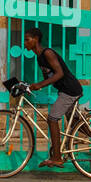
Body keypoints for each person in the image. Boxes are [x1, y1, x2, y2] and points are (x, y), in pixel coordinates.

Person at [23, 26, 83, 169]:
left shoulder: (47, 53)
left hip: (69, 90)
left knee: (52, 119)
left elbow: (59, 73)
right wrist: (32, 86)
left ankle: (56, 157)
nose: (25, 43)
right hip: (65, 90)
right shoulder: (39, 58)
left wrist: (40, 85)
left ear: (36, 39)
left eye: (27, 40)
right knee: (75, 123)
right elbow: (49, 77)